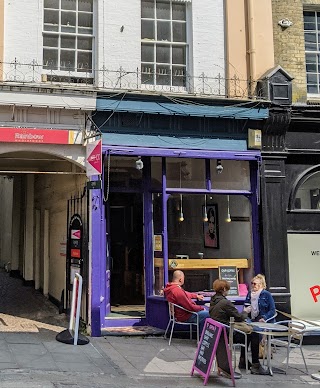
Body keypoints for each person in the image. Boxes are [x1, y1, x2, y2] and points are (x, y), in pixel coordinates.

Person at [209, 279, 269, 375]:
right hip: (227, 334)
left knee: (248, 331)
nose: (228, 291)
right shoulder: (225, 303)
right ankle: (255, 365)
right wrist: (245, 311)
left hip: (218, 332)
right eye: (227, 289)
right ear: (224, 289)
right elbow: (239, 317)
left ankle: (243, 360)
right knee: (254, 333)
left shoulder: (213, 300)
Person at [163, 270, 210, 335]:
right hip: (185, 316)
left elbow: (185, 293)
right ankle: (202, 339)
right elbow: (189, 307)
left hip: (178, 315)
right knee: (210, 314)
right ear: (180, 279)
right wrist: (201, 308)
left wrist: (196, 296)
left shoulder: (171, 288)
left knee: (206, 312)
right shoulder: (177, 291)